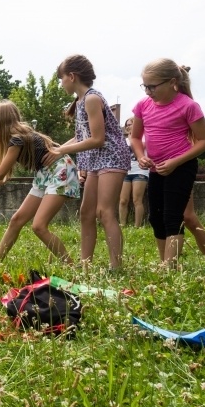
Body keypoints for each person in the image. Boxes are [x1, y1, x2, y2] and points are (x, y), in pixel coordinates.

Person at [0, 99, 80, 264]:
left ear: (0, 123)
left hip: (60, 171)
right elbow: (3, 178)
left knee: (39, 226)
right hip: (44, 174)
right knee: (16, 220)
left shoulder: (17, 139)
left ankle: (71, 265)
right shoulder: (15, 140)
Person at [43, 55, 130, 270]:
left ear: (72, 76)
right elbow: (82, 137)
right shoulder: (80, 101)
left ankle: (116, 267)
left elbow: (97, 139)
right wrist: (55, 148)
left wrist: (62, 150)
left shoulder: (92, 99)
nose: (61, 83)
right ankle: (85, 265)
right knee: (86, 212)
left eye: (61, 78)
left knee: (105, 212)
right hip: (95, 160)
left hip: (111, 157)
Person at [129, 59, 205, 267]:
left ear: (172, 82)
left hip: (181, 167)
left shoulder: (188, 106)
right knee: (156, 218)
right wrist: (140, 156)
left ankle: (170, 268)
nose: (147, 91)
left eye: (152, 86)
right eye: (144, 86)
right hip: (157, 169)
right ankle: (165, 263)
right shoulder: (143, 105)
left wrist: (175, 161)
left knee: (174, 218)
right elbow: (136, 137)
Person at [119, 117, 150, 227]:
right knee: (123, 200)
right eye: (126, 124)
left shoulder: (144, 137)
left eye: (130, 124)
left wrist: (131, 137)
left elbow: (141, 147)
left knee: (137, 200)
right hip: (126, 172)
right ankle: (122, 224)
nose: (127, 126)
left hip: (140, 171)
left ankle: (137, 226)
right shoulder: (125, 140)